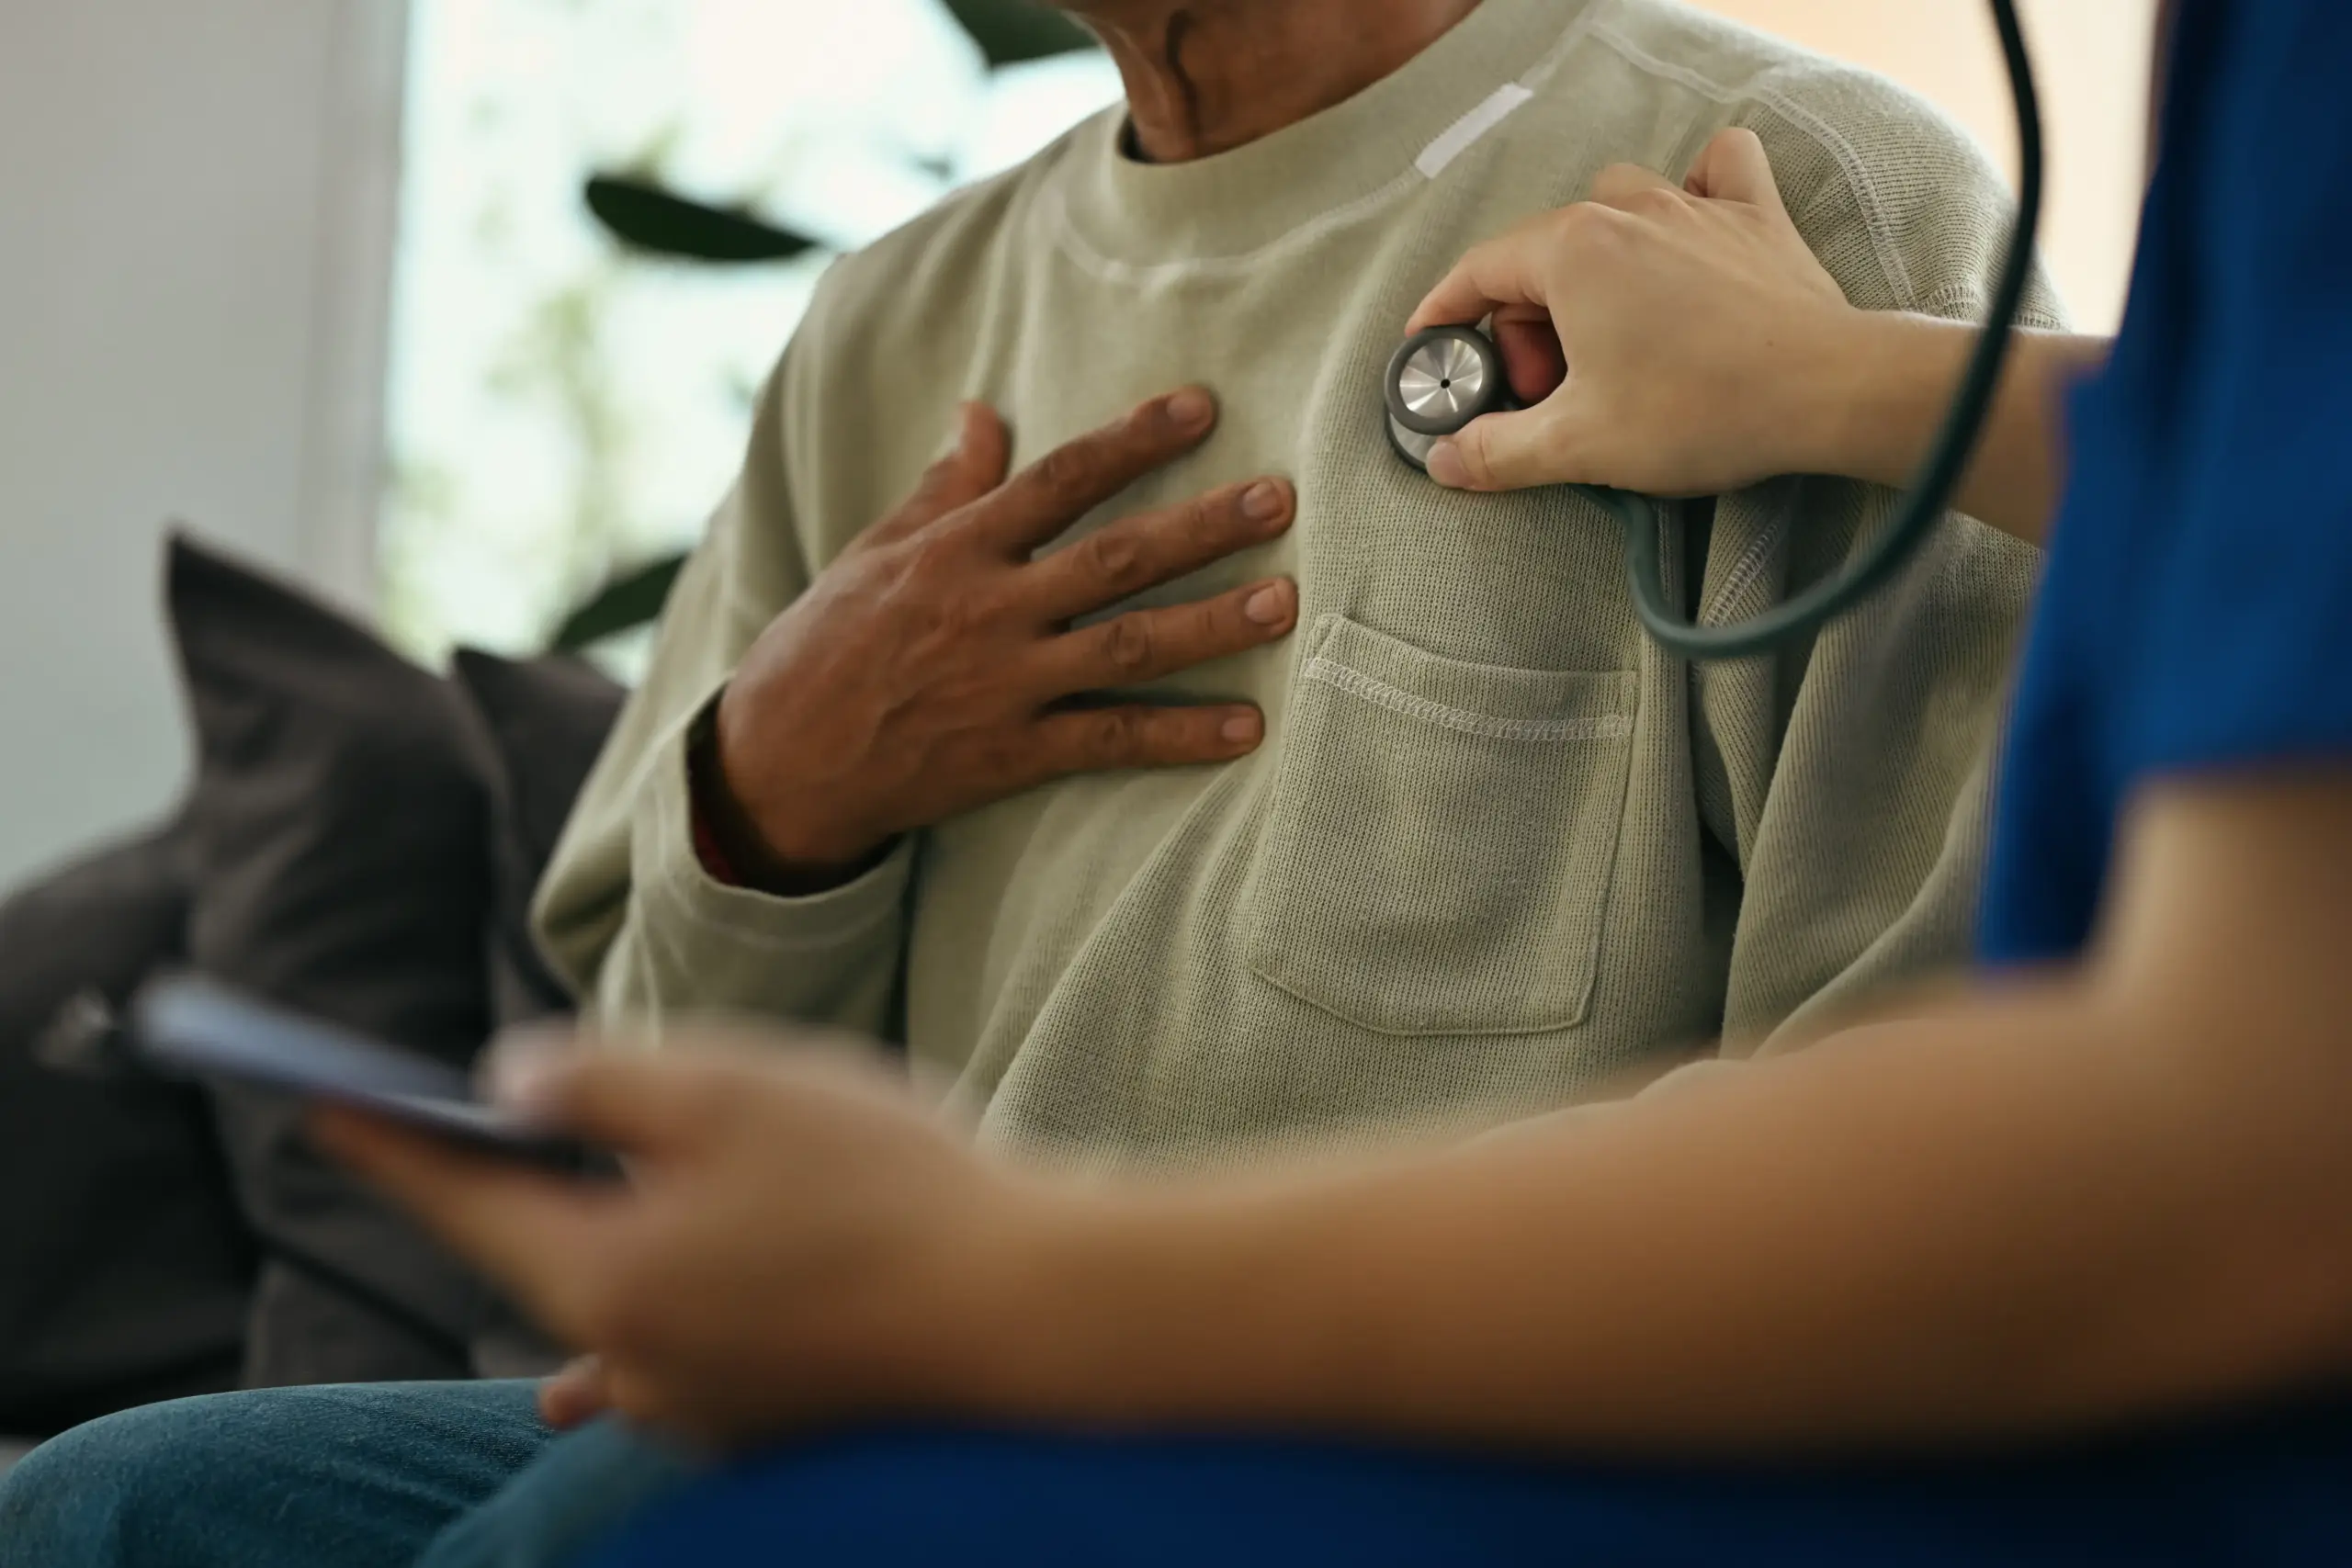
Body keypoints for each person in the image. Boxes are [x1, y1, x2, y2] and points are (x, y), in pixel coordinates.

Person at [268, 0, 2352, 1561]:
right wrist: (767, 804)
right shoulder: (882, 331)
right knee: (122, 1508)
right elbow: (656, 1151)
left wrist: (1025, 1297)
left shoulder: (1765, 186)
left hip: (1473, 1408)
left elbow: (1961, 1063)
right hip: (923, 1358)